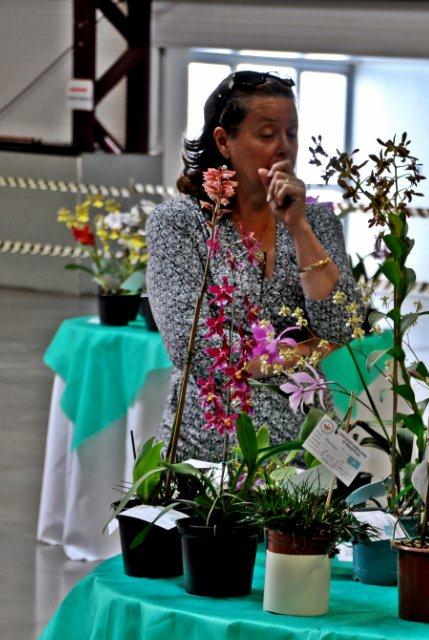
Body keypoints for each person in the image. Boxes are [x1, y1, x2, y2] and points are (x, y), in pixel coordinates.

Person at [146, 70, 364, 460]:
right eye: (267, 134)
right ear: (223, 142)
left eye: (291, 134)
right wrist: (306, 348)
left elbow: (341, 327)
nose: (283, 148)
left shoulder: (317, 222)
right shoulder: (180, 224)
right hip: (208, 450)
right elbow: (194, 348)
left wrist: (298, 227)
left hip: (306, 451)